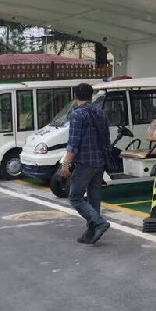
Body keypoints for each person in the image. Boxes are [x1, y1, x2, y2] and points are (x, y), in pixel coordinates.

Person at [60, 82, 112, 245]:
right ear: (91, 96)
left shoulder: (77, 114)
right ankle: (91, 233)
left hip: (84, 162)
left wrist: (66, 165)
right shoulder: (100, 112)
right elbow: (106, 139)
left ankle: (99, 223)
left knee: (75, 197)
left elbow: (73, 143)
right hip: (99, 162)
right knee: (94, 199)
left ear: (75, 96)